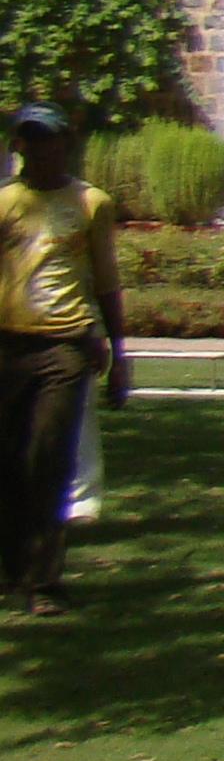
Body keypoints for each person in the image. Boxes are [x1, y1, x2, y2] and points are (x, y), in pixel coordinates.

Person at [0, 105, 127, 613]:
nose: (37, 150)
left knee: (48, 459)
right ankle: (15, 570)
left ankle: (44, 581)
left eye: (47, 139)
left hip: (66, 346)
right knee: (10, 461)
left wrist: (119, 351)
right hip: (8, 344)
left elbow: (107, 279)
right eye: (28, 140)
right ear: (19, 147)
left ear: (65, 143)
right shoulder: (5, 202)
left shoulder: (91, 203)